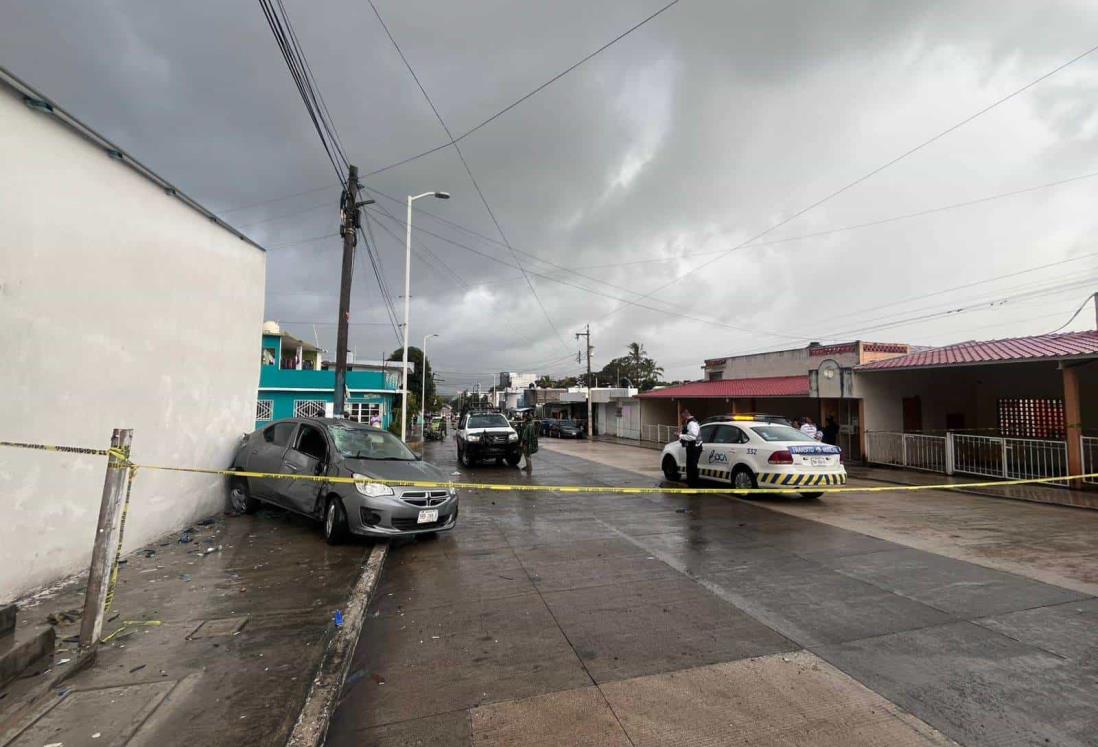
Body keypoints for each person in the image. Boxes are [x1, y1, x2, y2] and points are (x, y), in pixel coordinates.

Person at [679, 408, 702, 487]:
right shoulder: (691, 422)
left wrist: (680, 436)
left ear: (686, 414)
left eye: (682, 416)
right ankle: (692, 483)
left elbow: (693, 437)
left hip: (694, 447)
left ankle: (693, 485)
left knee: (691, 466)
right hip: (693, 447)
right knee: (691, 466)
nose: (682, 418)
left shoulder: (692, 423)